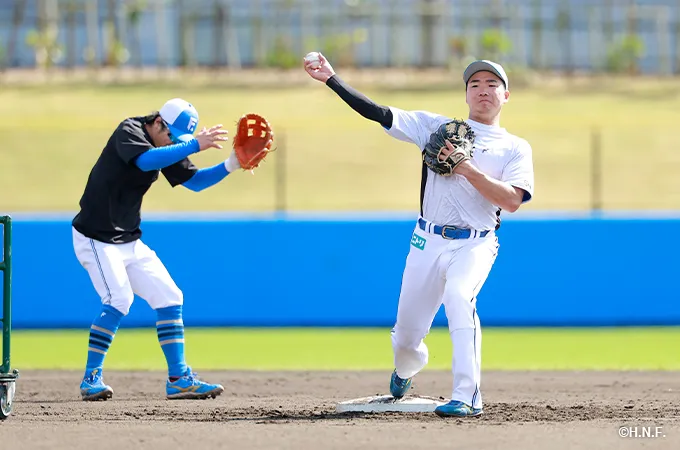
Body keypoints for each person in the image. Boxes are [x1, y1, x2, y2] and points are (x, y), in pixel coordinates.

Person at [303, 56, 534, 417]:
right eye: (475, 84)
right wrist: (332, 79)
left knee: (460, 297)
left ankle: (467, 396)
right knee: (407, 339)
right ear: (466, 94)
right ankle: (405, 369)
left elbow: (513, 201)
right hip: (427, 241)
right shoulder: (435, 127)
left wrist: (466, 168)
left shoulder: (515, 147)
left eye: (492, 84)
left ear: (506, 95)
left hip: (475, 243)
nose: (483, 90)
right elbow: (378, 113)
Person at [72, 98, 257, 401]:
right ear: (157, 122)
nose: (174, 141)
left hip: (128, 240)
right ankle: (91, 378)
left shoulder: (169, 145)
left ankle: (179, 378)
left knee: (170, 297)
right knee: (119, 299)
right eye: (171, 134)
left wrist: (231, 165)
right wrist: (194, 145)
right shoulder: (129, 130)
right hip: (95, 238)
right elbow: (145, 161)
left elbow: (195, 182)